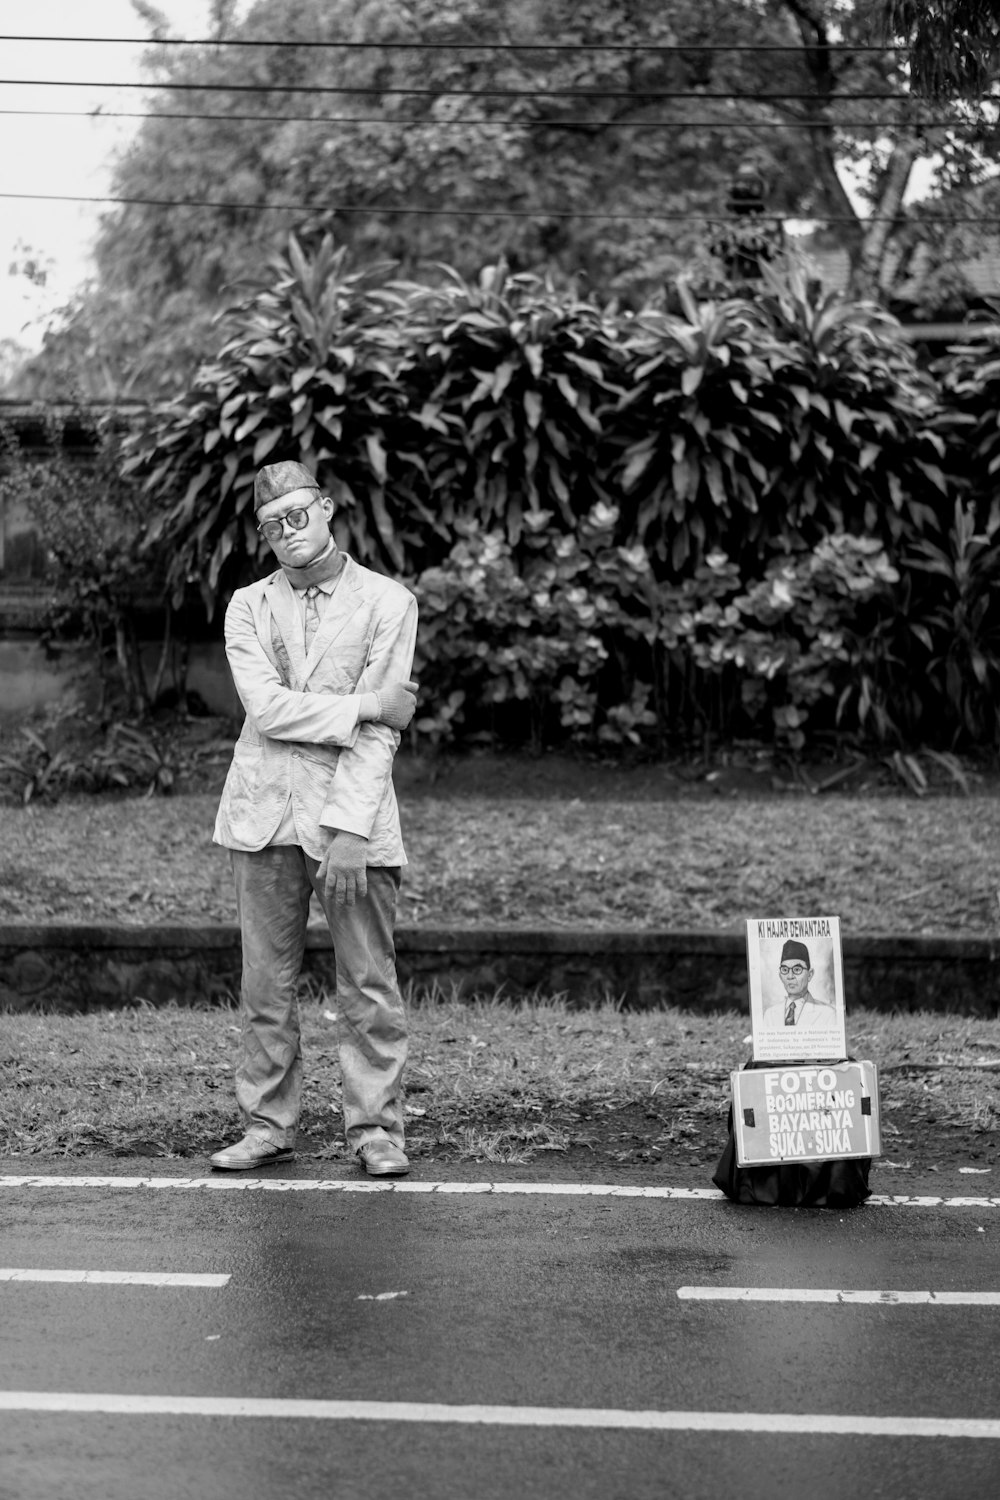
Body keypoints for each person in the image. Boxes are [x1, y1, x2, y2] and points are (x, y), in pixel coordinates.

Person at [209, 459, 419, 1177]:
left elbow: (381, 738)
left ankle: (376, 1131)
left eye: (298, 515)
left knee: (367, 982)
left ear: (327, 508)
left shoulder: (390, 601)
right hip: (262, 816)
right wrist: (365, 703)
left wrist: (352, 831)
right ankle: (268, 1125)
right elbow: (265, 710)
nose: (287, 532)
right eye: (272, 525)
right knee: (265, 985)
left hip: (350, 819)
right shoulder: (247, 606)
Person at [766, 939, 837, 1030]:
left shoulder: (828, 1014)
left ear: (810, 974)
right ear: (780, 975)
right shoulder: (770, 1015)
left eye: (797, 970)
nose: (790, 976)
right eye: (785, 970)